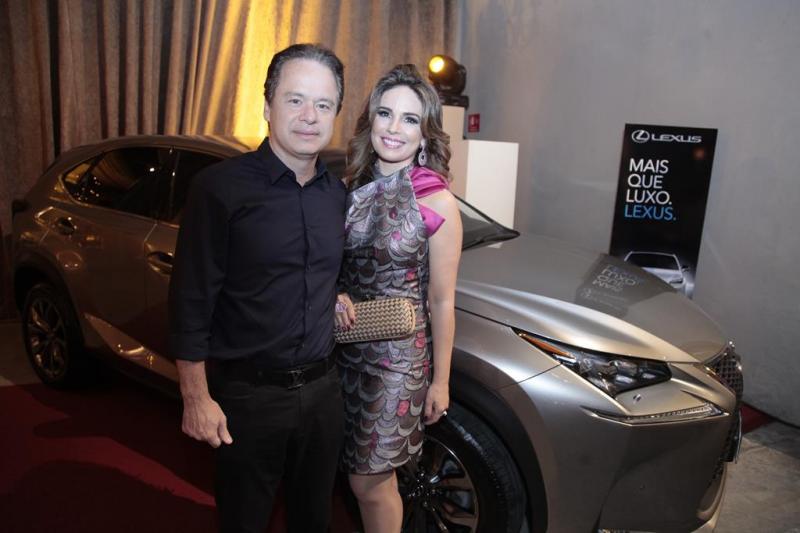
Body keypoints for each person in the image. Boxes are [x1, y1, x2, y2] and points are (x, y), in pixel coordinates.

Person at [168, 43, 347, 533]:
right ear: (267, 106)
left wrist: (338, 293)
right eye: (295, 100)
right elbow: (190, 301)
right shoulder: (219, 188)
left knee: (315, 520)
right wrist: (195, 397)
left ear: (335, 114)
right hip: (249, 398)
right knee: (244, 522)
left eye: (324, 104)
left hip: (324, 394)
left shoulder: (337, 195)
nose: (310, 116)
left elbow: (322, 270)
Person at [334, 64, 463, 533]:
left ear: (425, 133)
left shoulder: (437, 201)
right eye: (385, 113)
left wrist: (440, 382)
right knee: (356, 478)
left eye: (410, 119)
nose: (394, 128)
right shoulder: (349, 187)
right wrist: (336, 292)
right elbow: (333, 266)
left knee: (370, 482)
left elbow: (442, 301)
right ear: (370, 121)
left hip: (397, 363)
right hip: (342, 350)